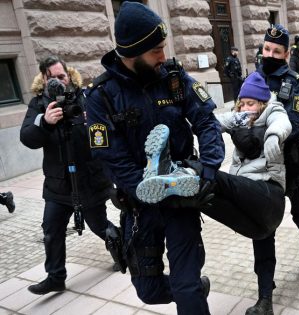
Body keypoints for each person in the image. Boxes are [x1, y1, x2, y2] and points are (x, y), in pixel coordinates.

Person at [85, 3, 225, 314]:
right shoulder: (101, 97)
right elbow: (111, 157)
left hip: (182, 200)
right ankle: (194, 291)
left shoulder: (173, 78)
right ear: (132, 54)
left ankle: (191, 292)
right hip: (140, 207)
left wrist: (209, 168)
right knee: (148, 292)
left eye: (163, 48)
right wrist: (147, 189)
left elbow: (205, 121)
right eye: (156, 51)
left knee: (185, 286)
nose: (163, 56)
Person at [135, 72, 290, 238]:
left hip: (270, 200)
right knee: (202, 195)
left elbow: (282, 122)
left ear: (262, 104)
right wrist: (182, 126)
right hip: (254, 223)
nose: (245, 108)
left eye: (250, 103)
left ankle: (186, 171)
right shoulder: (240, 120)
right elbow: (213, 122)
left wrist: (274, 135)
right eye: (242, 104)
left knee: (214, 178)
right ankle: (170, 182)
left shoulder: (272, 112)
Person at [20, 56, 119, 295]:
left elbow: (107, 131)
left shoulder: (85, 97)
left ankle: (124, 253)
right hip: (58, 184)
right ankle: (55, 277)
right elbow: (27, 137)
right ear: (43, 80)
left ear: (69, 75)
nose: (57, 82)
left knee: (99, 225)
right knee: (52, 229)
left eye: (61, 76)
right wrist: (44, 123)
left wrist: (90, 122)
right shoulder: (39, 104)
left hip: (89, 179)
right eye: (51, 78)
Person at [250, 24, 299, 315]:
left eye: (276, 51)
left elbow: (294, 125)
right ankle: (265, 296)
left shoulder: (296, 82)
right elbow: (244, 113)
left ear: (286, 53)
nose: (270, 55)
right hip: (263, 169)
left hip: (291, 164)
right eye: (267, 49)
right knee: (263, 230)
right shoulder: (253, 78)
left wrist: (258, 131)